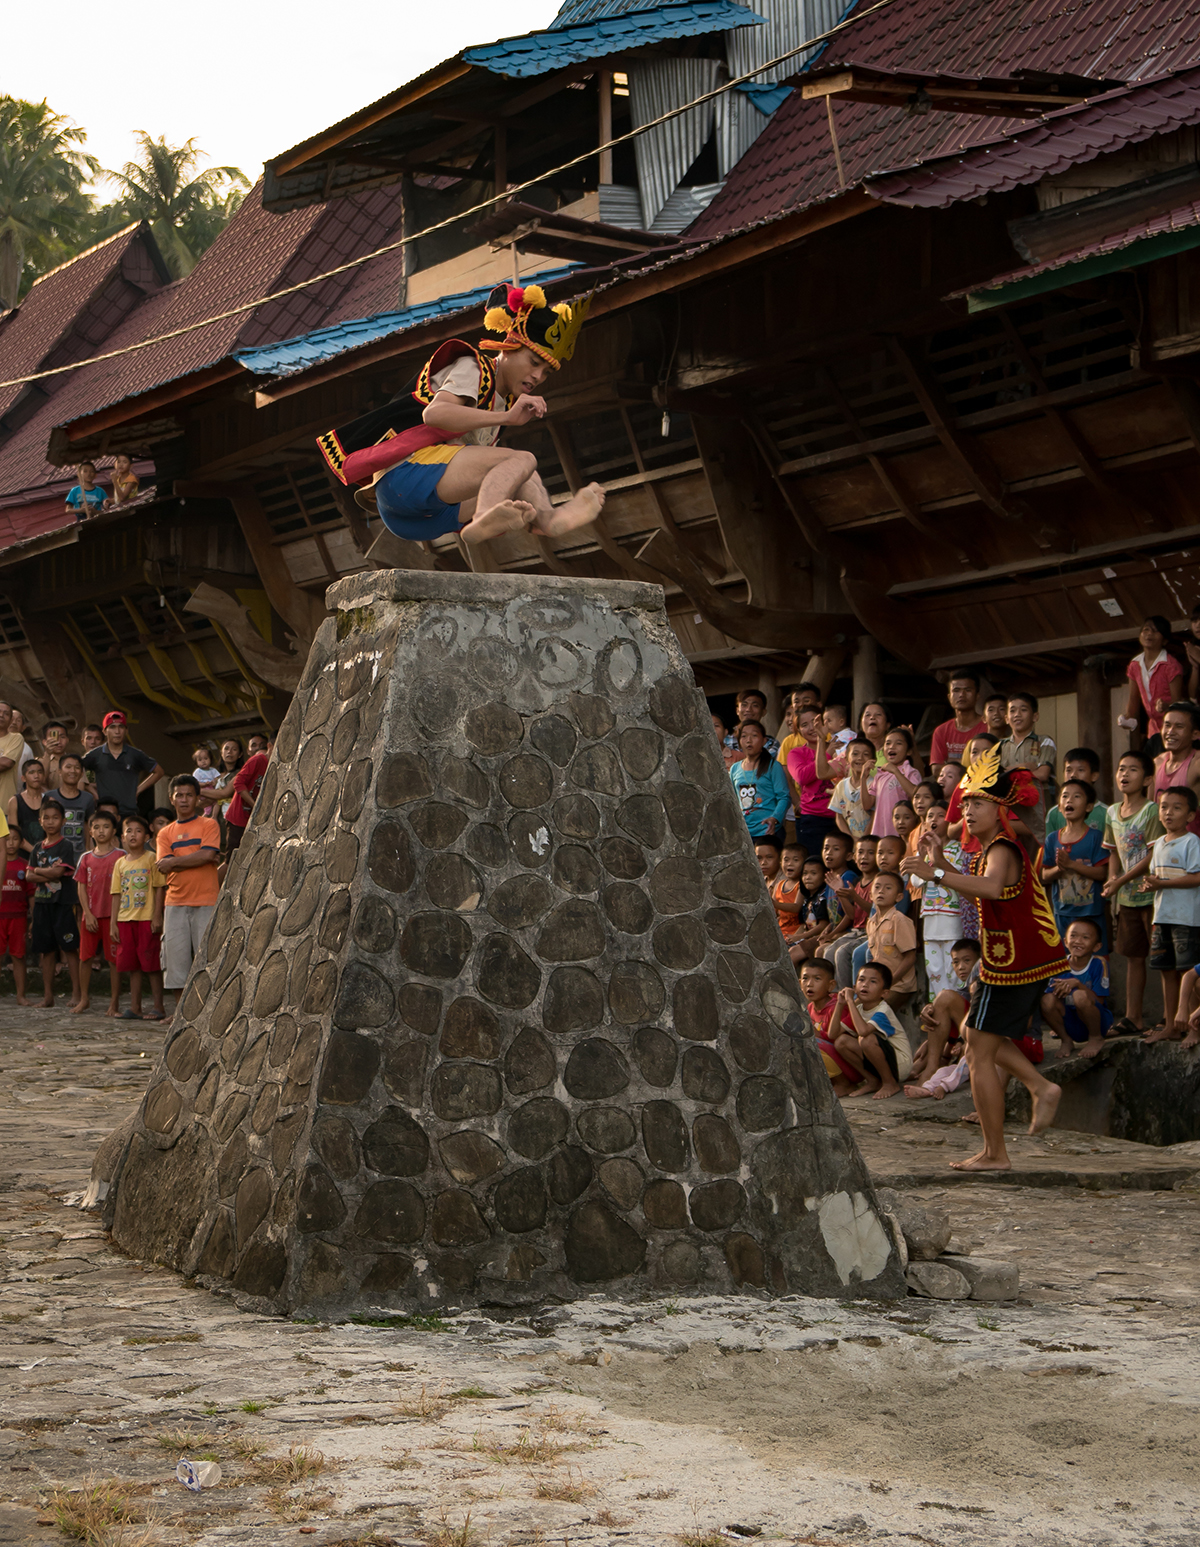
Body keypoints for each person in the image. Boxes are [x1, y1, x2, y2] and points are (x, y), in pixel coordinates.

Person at [320, 284, 603, 547]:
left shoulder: (505, 400)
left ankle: (547, 520)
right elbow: (436, 415)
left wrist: (505, 417)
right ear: (508, 347)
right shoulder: (474, 367)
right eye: (534, 362)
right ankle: (483, 517)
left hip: (427, 519)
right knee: (522, 459)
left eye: (546, 372)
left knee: (521, 473)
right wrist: (505, 419)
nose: (538, 376)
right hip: (401, 480)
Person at [900, 743, 1069, 1171]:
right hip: (1007, 961)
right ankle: (1036, 1089)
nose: (969, 810)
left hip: (1016, 964)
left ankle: (998, 1150)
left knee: (976, 1050)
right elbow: (979, 888)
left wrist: (935, 872)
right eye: (968, 802)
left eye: (979, 802)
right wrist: (939, 859)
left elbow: (992, 890)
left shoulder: (1002, 850)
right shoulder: (991, 848)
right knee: (976, 1040)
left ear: (1000, 810)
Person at [1101, 750, 1162, 1033]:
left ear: (1148, 778)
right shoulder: (1112, 812)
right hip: (1127, 897)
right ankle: (1133, 1016)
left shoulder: (1152, 810)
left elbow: (1151, 856)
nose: (1124, 774)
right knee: (1134, 955)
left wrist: (1121, 879)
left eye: (1133, 770)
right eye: (1121, 768)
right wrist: (1113, 877)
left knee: (1162, 956)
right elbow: (1113, 850)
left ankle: (1170, 1016)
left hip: (1153, 894)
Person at [156, 775, 220, 1002]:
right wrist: (196, 858)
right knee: (175, 961)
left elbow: (208, 854)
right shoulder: (165, 833)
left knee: (209, 961)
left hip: (207, 899)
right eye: (179, 795)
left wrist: (174, 861)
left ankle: (208, 1012)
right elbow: (163, 866)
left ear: (197, 798)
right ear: (171, 799)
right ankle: (180, 1015)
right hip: (175, 901)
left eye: (189, 795)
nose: (184, 800)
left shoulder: (209, 824)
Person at [110, 814, 167, 1021]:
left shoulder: (152, 858)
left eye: (138, 831)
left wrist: (157, 915)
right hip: (125, 919)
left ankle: (158, 1006)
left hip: (146, 918)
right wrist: (113, 923)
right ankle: (135, 1007)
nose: (133, 835)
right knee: (132, 965)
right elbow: (116, 894)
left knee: (151, 964)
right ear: (122, 837)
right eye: (129, 831)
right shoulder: (119, 864)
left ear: (147, 836)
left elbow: (159, 888)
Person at [1042, 779, 1109, 948]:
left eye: (1077, 796)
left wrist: (1071, 864)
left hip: (1091, 913)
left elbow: (1102, 873)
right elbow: (1044, 875)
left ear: (1089, 807)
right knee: (1065, 962)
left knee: (1095, 960)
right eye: (1065, 796)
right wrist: (1060, 868)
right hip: (1062, 913)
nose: (1069, 800)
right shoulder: (1052, 839)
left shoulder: (1095, 837)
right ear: (1059, 806)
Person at [28, 799, 80, 1009]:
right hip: (41, 904)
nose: (51, 822)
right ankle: (48, 995)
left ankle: (77, 993)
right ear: (40, 821)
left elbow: (59, 873)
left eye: (55, 817)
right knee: (46, 951)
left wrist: (38, 871)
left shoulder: (65, 845)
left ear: (63, 820)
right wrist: (43, 874)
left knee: (70, 948)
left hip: (63, 903)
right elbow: (28, 879)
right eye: (46, 818)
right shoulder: (37, 849)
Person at [908, 937, 981, 1085]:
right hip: (965, 1036)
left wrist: (958, 1042)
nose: (961, 967)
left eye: (967, 961)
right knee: (942, 1001)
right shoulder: (963, 991)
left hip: (983, 1037)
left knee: (945, 997)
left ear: (979, 960)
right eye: (956, 962)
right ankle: (930, 1067)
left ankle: (932, 1067)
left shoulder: (981, 985)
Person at [836, 962, 914, 1099]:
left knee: (866, 1040)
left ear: (885, 993)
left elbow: (863, 1032)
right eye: (861, 980)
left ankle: (890, 1083)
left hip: (900, 1064)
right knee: (841, 1042)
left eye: (873, 981)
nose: (865, 985)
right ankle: (873, 1081)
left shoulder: (883, 1010)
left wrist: (850, 1001)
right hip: (883, 1061)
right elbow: (833, 1034)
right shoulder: (859, 1009)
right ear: (855, 987)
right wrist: (840, 1004)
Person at [74, 810, 124, 1016]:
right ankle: (83, 998)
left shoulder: (121, 856)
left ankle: (114, 1002)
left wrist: (116, 917)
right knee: (85, 957)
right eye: (96, 827)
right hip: (91, 916)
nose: (101, 831)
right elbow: (81, 888)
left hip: (114, 917)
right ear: (90, 831)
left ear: (114, 831)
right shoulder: (85, 858)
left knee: (113, 960)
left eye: (106, 827)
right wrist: (87, 912)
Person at [1040, 918, 1112, 1058]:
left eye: (1085, 937)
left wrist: (1078, 984)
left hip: (1096, 1022)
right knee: (1046, 1000)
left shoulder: (1099, 964)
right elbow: (1050, 999)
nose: (1078, 941)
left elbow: (1100, 1001)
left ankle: (1095, 1038)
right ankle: (1066, 1040)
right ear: (1065, 942)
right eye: (1073, 936)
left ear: (1096, 946)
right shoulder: (1059, 965)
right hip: (1070, 1022)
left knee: (1080, 996)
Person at [81, 712, 163, 819]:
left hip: (129, 812)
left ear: (126, 731)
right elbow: (75, 768)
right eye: (113, 727)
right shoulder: (96, 754)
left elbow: (159, 772)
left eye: (121, 727)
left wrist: (138, 790)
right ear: (105, 731)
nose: (117, 731)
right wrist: (92, 791)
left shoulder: (135, 754)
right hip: (105, 812)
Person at [1119, 615, 1183, 751]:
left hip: (1172, 727)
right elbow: (1133, 698)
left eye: (1155, 631)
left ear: (1165, 640)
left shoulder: (1171, 665)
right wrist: (1128, 717)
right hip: (1154, 728)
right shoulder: (1135, 664)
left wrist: (1166, 706)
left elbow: (1179, 702)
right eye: (1146, 629)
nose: (1149, 634)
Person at [999, 693, 1056, 845]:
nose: (1017, 714)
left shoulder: (1044, 741)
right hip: (1008, 804)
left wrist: (1008, 771)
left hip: (1038, 803)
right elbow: (996, 777)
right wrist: (1025, 767)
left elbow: (1043, 774)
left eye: (1023, 709)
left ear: (1035, 716)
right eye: (1012, 710)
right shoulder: (999, 746)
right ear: (1006, 718)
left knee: (1039, 847)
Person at [787, 707, 842, 856]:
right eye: (804, 725)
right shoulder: (796, 753)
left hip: (843, 816)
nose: (812, 728)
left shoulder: (841, 746)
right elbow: (802, 777)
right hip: (814, 819)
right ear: (798, 730)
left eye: (815, 722)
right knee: (814, 865)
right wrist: (827, 752)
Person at [825, 834, 877, 987]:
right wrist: (841, 893)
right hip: (856, 931)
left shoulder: (878, 882)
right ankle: (833, 997)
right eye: (860, 852)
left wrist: (855, 896)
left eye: (871, 853)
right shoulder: (857, 882)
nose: (864, 857)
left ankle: (848, 995)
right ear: (854, 856)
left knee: (842, 952)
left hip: (869, 931)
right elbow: (852, 914)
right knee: (828, 951)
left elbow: (874, 912)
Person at [864, 870, 917, 1007]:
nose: (881, 891)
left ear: (899, 897)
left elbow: (910, 957)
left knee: (871, 1011)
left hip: (899, 986)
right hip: (881, 985)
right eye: (877, 887)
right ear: (870, 895)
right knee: (852, 1009)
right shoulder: (871, 922)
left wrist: (890, 982)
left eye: (888, 888)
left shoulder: (899, 920)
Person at [731, 721, 789, 842]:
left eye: (754, 736)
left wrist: (775, 818)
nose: (749, 740)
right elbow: (732, 800)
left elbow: (784, 797)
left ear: (764, 741)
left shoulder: (773, 766)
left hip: (768, 831)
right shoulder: (734, 769)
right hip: (745, 833)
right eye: (744, 736)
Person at [1152, 703, 1200, 836]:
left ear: (1195, 734)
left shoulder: (1196, 763)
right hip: (1163, 846)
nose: (1170, 731)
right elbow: (1151, 809)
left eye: (1179, 726)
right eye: (1167, 725)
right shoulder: (1157, 763)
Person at [221, 735, 272, 857]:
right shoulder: (257, 760)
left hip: (253, 818)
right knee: (232, 860)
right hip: (238, 817)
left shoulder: (273, 766)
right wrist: (255, 805)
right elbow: (237, 784)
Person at [929, 669, 986, 774]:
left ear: (977, 695)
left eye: (968, 690)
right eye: (956, 690)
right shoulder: (941, 731)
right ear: (949, 697)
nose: (961, 695)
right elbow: (937, 770)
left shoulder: (987, 727)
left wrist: (951, 765)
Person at [0, 829, 33, 1004]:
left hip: (18, 917)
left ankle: (21, 995)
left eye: (15, 839)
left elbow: (31, 895)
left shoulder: (25, 866)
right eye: (7, 839)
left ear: (21, 842)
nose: (10, 843)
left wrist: (33, 919)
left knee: (19, 956)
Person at [869, 727, 920, 837]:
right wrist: (863, 778)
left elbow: (915, 795)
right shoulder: (880, 774)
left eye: (898, 743)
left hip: (902, 832)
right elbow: (867, 804)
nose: (892, 746)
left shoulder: (911, 772)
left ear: (909, 751)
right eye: (888, 743)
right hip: (881, 832)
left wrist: (895, 771)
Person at [1044, 749, 1106, 836]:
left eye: (1080, 770)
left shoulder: (1106, 814)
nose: (1073, 775)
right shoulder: (1054, 813)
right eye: (1068, 770)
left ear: (1094, 776)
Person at [829, 736, 876, 841]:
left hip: (869, 840)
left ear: (873, 760)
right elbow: (839, 816)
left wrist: (864, 839)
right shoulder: (841, 785)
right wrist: (850, 838)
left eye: (866, 754)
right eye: (855, 754)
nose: (860, 758)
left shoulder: (875, 784)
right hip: (850, 841)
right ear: (846, 759)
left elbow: (875, 815)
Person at [50, 754, 94, 862]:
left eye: (77, 767)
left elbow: (88, 825)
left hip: (79, 856)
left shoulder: (87, 798)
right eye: (68, 767)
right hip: (54, 856)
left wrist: (88, 850)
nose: (73, 771)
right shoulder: (50, 797)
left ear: (82, 773)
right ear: (60, 771)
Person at [8, 758, 46, 854]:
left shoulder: (49, 801)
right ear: (23, 778)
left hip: (47, 854)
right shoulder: (15, 801)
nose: (36, 776)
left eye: (39, 772)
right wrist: (37, 854)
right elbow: (14, 835)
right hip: (22, 856)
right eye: (31, 772)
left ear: (44, 776)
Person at [734, 689, 780, 757]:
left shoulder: (771, 743)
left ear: (763, 712)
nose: (748, 709)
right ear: (737, 710)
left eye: (755, 705)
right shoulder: (724, 741)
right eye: (744, 705)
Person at [0, 701, 27, 815]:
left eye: (6, 714)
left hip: (4, 808)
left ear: (11, 720)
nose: (1, 715)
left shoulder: (16, 738)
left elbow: (7, 763)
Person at [37, 720, 71, 787]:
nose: (58, 741)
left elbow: (80, 787)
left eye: (62, 737)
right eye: (54, 737)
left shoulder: (75, 762)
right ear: (44, 742)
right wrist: (47, 754)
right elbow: (41, 781)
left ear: (67, 739)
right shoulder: (39, 763)